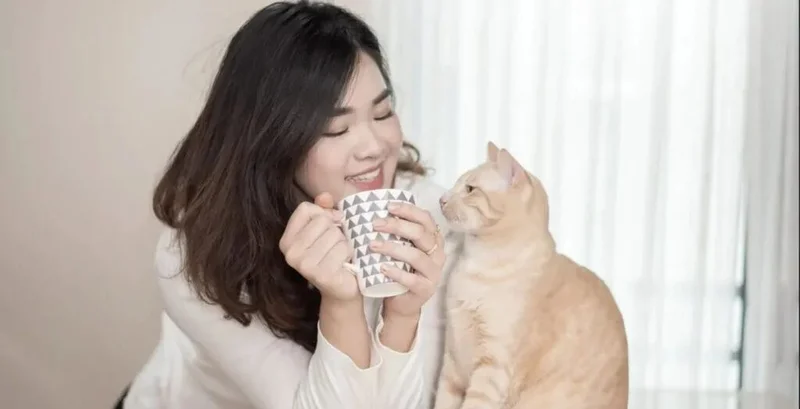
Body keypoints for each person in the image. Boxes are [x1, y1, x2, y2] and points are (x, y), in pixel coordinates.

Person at [120, 1, 463, 408]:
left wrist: (403, 316)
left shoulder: (427, 217)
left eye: (382, 112)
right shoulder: (192, 256)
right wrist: (341, 305)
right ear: (271, 142)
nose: (374, 147)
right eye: (336, 129)